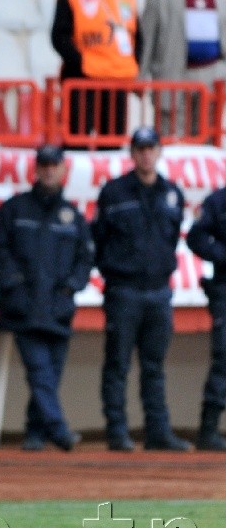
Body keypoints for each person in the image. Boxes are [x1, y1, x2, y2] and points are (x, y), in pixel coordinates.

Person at [0, 144, 93, 451]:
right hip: (23, 308)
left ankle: (35, 433)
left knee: (50, 374)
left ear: (62, 170)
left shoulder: (73, 216)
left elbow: (85, 260)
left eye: (54, 165)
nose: (48, 170)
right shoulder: (14, 209)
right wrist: (15, 289)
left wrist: (71, 287)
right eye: (44, 165)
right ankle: (59, 431)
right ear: (36, 169)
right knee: (40, 372)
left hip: (58, 308)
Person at [93, 127, 192, 451]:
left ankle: (157, 432)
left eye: (151, 148)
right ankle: (117, 432)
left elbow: (172, 237)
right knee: (117, 365)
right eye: (140, 148)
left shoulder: (172, 193)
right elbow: (99, 240)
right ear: (132, 153)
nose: (146, 154)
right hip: (123, 291)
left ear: (159, 152)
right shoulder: (114, 192)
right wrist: (114, 273)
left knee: (154, 367)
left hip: (159, 292)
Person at [50, 0, 141, 147]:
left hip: (117, 81)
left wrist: (134, 67)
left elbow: (137, 37)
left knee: (112, 143)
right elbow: (59, 37)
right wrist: (81, 64)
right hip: (83, 81)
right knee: (77, 140)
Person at [139, 0, 226, 137]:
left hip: (212, 74)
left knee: (207, 134)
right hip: (172, 73)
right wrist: (140, 76)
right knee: (170, 135)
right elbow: (146, 39)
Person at [183, 180, 226, 449]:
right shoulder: (219, 201)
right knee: (224, 360)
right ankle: (209, 430)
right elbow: (196, 237)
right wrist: (222, 255)